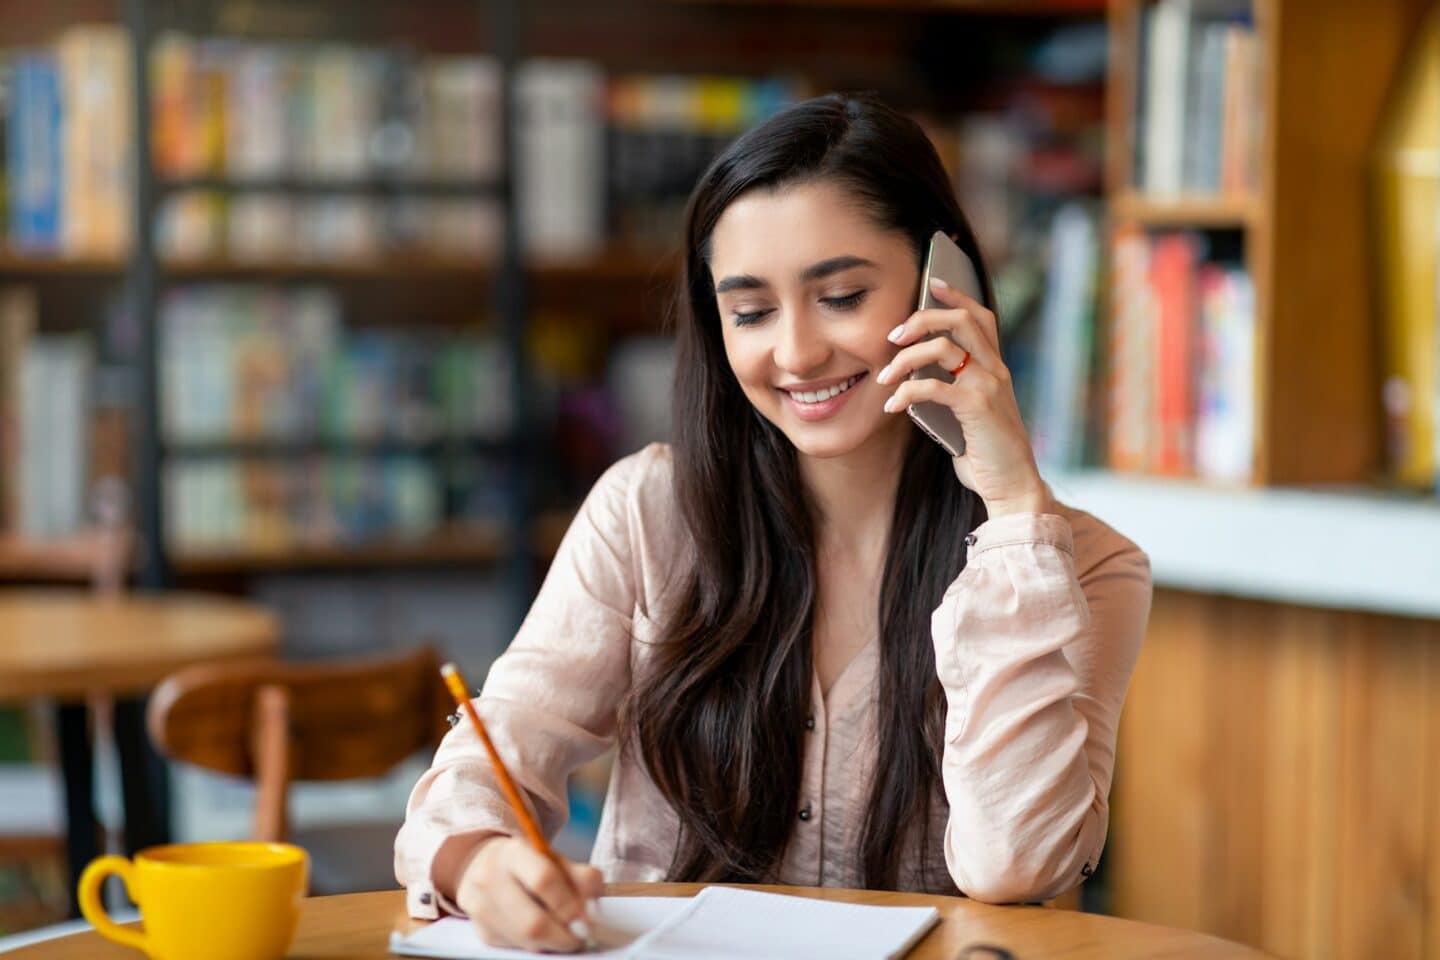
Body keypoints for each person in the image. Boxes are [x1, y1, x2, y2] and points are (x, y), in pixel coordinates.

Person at [395, 92, 1151, 953]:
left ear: (950, 284)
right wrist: (482, 866)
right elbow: (480, 777)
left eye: (841, 295)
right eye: (751, 312)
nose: (795, 353)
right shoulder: (646, 513)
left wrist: (1014, 508)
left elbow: (1019, 865)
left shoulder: (1082, 568)